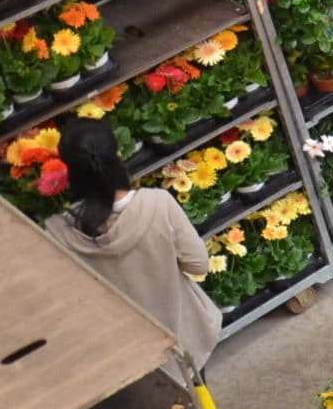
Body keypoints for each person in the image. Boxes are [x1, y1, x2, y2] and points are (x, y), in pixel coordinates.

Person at [41, 118, 223, 369]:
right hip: (182, 338)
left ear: (71, 170)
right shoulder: (158, 204)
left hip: (121, 360)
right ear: (116, 155)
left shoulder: (59, 232)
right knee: (199, 404)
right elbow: (198, 265)